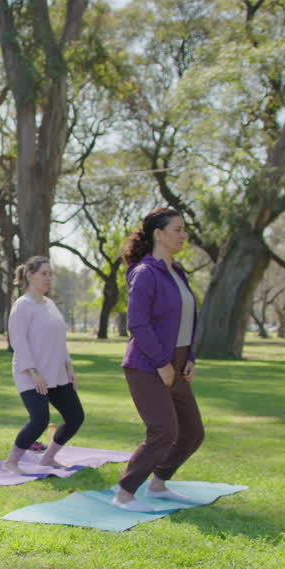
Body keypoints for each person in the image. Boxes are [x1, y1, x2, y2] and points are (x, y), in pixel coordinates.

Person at [112, 207, 205, 511]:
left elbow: (187, 317)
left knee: (192, 432)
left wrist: (188, 356)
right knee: (164, 431)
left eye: (184, 229)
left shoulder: (177, 272)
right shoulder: (145, 272)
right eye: (177, 229)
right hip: (146, 364)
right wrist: (162, 364)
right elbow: (137, 323)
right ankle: (125, 492)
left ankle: (158, 483)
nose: (183, 235)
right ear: (159, 234)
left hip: (178, 361)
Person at [2, 256, 84, 474]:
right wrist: (34, 372)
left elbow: (59, 340)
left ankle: (48, 459)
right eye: (43, 274)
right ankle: (11, 462)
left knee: (75, 417)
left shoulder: (50, 304)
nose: (48, 278)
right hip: (31, 374)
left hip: (57, 374)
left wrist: (70, 367)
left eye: (50, 274)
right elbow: (18, 341)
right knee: (40, 420)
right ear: (29, 276)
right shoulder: (22, 306)